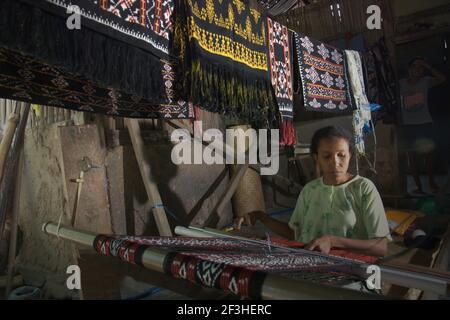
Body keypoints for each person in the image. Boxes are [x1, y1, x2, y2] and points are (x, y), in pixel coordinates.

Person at [235, 126, 391, 257]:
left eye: (341, 155)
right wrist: (261, 216)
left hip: (349, 269)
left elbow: (381, 247)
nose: (335, 163)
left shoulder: (363, 188)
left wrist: (333, 241)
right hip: (308, 265)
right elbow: (295, 234)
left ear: (350, 155)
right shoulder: (310, 190)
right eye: (327, 156)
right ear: (316, 158)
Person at [399, 57, 447, 194]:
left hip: (424, 123)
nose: (417, 69)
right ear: (409, 69)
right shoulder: (401, 84)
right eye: (415, 66)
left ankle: (431, 182)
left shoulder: (425, 81)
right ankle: (419, 187)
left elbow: (442, 78)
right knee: (412, 157)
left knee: (428, 155)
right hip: (408, 125)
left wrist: (426, 64)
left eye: (420, 68)